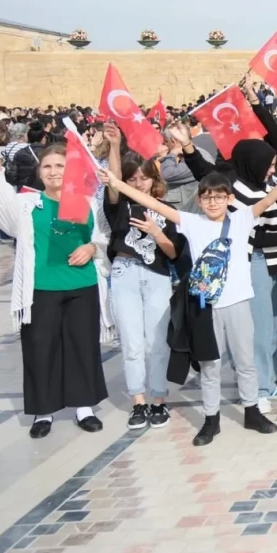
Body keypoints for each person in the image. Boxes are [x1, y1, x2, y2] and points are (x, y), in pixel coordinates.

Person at [104, 164, 277, 446]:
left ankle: (252, 411)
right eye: (207, 197)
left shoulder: (241, 219)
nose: (213, 202)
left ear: (229, 199)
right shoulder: (191, 222)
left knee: (246, 362)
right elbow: (153, 204)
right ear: (199, 200)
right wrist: (116, 183)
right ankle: (211, 419)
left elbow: (268, 200)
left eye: (219, 197)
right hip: (205, 306)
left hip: (238, 303)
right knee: (210, 366)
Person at [0, 144, 111, 439]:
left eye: (60, 166)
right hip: (41, 288)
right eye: (47, 166)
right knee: (40, 348)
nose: (53, 172)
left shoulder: (88, 202)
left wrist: (91, 248)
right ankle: (44, 411)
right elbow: (5, 216)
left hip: (82, 286)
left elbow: (105, 236)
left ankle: (84, 408)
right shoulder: (28, 204)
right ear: (39, 172)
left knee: (82, 346)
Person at [103, 123, 178, 430]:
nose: (139, 183)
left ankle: (159, 399)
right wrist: (114, 146)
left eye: (144, 178)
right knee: (132, 343)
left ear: (153, 178)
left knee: (157, 343)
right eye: (132, 179)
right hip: (125, 274)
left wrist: (157, 232)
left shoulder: (166, 208)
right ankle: (138, 401)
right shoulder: (119, 206)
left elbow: (173, 252)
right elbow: (112, 183)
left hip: (157, 275)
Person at [230, 139, 277, 412]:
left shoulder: (266, 185)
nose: (272, 171)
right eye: (268, 166)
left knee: (271, 327)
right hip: (255, 262)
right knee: (258, 330)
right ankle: (257, 388)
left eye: (274, 166)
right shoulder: (237, 192)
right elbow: (253, 235)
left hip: (274, 262)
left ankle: (268, 383)